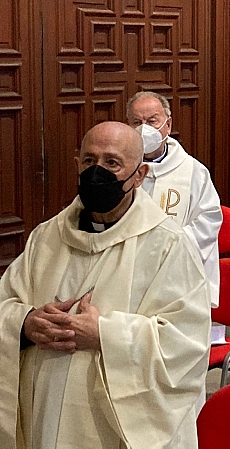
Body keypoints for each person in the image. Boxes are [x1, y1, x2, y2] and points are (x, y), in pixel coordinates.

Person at [0, 122, 211, 449]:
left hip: (111, 428)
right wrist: (25, 324)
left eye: (112, 163)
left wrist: (106, 334)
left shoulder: (168, 246)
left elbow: (187, 343)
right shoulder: (47, 236)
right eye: (89, 161)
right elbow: (6, 302)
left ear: (139, 175)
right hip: (42, 416)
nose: (97, 172)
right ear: (77, 165)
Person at [126, 91, 222, 308]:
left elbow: (209, 220)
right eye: (137, 122)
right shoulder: (121, 170)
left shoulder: (193, 171)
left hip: (178, 274)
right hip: (131, 272)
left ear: (167, 125)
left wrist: (168, 247)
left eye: (152, 121)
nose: (144, 128)